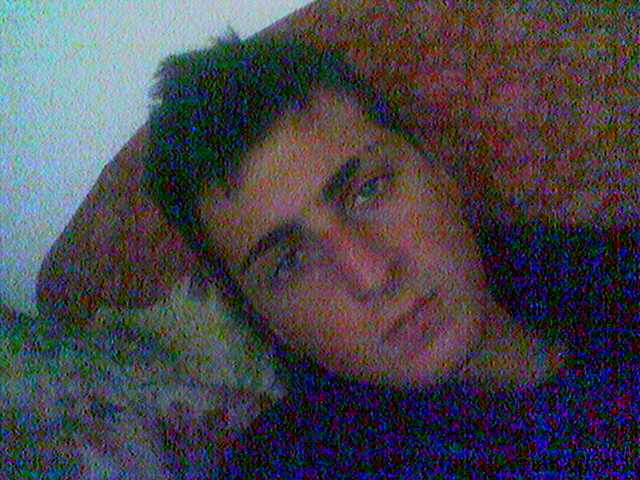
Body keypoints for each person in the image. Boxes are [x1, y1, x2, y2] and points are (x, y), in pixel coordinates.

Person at [142, 32, 637, 477]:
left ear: (437, 167)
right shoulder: (288, 464)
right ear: (263, 318)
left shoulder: (609, 273)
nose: (372, 275)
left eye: (369, 191)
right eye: (289, 263)